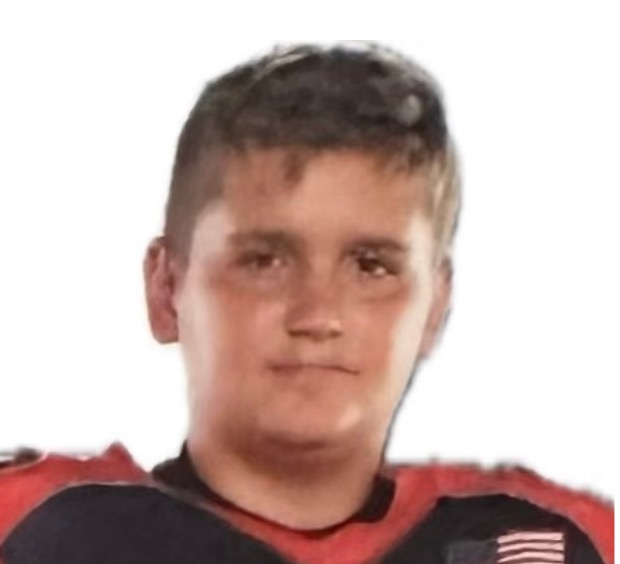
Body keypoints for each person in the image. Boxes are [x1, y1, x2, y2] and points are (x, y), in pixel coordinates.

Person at [0, 42, 612, 564]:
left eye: (371, 265)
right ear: (166, 290)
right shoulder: (38, 527)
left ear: (434, 305)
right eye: (264, 260)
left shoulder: (545, 540)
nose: (318, 315)